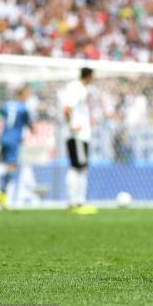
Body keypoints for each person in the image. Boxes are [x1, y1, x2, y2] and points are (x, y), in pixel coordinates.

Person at [63, 67, 97, 215]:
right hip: (77, 134)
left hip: (81, 134)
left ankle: (75, 202)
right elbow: (66, 108)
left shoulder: (81, 89)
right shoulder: (75, 88)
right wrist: (72, 126)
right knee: (79, 167)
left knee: (78, 167)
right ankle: (77, 202)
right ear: (88, 76)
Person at [0, 86, 34, 209]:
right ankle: (1, 189)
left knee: (9, 166)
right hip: (14, 141)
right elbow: (29, 124)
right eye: (27, 94)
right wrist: (32, 130)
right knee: (12, 168)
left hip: (4, 139)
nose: (28, 97)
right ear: (21, 94)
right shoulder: (23, 108)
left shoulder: (6, 105)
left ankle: (2, 194)